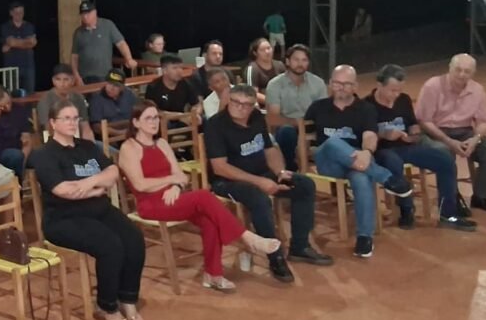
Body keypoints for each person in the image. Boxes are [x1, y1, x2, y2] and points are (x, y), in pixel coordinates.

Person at [118, 101, 284, 293]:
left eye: (156, 117)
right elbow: (140, 185)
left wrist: (176, 185)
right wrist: (172, 180)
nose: (154, 122)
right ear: (136, 122)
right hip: (150, 204)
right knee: (204, 196)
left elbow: (182, 176)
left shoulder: (162, 143)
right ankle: (247, 238)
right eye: (148, 118)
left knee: (209, 220)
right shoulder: (129, 148)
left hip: (174, 197)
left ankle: (213, 275)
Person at [31, 100, 144, 320]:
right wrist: (97, 189)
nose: (72, 122)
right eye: (66, 118)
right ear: (53, 123)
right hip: (63, 218)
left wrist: (89, 183)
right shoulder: (44, 154)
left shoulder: (87, 146)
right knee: (111, 245)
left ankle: (127, 297)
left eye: (75, 118)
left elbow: (112, 171)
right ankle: (107, 305)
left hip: (99, 209)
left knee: (134, 238)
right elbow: (62, 190)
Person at [205, 86, 333, 282]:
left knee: (304, 185)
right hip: (228, 181)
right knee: (259, 198)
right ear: (229, 101)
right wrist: (260, 182)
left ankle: (300, 247)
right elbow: (220, 167)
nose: (241, 108)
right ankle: (275, 257)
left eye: (247, 104)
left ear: (253, 105)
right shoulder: (215, 125)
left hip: (261, 173)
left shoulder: (257, 117)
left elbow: (269, 149)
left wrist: (280, 172)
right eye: (236, 102)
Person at [306, 65, 413, 258]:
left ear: (355, 86)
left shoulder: (365, 109)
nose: (341, 88)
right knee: (332, 143)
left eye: (347, 84)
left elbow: (370, 135)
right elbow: (306, 139)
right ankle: (387, 178)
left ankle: (364, 237)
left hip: (357, 163)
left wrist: (366, 152)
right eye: (337, 83)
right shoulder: (317, 107)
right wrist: (309, 152)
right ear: (330, 84)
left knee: (361, 178)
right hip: (327, 161)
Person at [365, 65, 476, 231]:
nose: (396, 95)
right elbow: (364, 133)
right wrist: (384, 134)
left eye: (399, 90)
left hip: (406, 146)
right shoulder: (366, 105)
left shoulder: (403, 100)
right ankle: (406, 210)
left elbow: (412, 123)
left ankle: (448, 213)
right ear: (379, 85)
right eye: (392, 90)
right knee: (393, 161)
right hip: (382, 150)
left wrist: (414, 133)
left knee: (445, 159)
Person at [416, 53, 486, 215]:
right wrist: (449, 141)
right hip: (435, 131)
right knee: (444, 152)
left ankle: (481, 197)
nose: (462, 75)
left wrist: (475, 139)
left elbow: (483, 122)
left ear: (473, 73)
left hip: (464, 131)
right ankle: (451, 197)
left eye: (467, 71)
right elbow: (424, 121)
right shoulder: (432, 86)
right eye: (458, 70)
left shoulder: (477, 90)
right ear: (449, 68)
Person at [265, 44, 327, 170]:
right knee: (286, 132)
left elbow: (323, 112)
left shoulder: (318, 83)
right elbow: (273, 118)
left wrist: (306, 125)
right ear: (287, 61)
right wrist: (297, 122)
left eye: (304, 60)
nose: (300, 64)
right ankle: (289, 169)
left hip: (312, 126)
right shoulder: (275, 85)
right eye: (296, 60)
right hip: (288, 126)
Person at [71, 1, 137, 85]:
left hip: (104, 75)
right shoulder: (78, 32)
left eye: (88, 13)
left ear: (95, 12)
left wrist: (129, 58)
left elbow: (121, 43)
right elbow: (74, 56)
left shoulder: (107, 25)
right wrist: (76, 76)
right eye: (83, 14)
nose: (85, 16)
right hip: (84, 77)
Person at [36, 64, 95, 141]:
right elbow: (49, 129)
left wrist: (90, 144)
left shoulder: (78, 98)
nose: (62, 83)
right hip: (54, 141)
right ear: (53, 81)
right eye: (58, 79)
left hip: (78, 140)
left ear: (72, 80)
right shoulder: (45, 100)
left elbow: (85, 127)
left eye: (66, 79)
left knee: (100, 147)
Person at [144, 54, 200, 124]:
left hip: (183, 119)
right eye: (175, 68)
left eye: (181, 68)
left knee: (203, 120)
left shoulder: (186, 83)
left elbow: (197, 104)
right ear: (164, 70)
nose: (179, 71)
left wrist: (195, 114)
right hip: (163, 121)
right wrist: (179, 117)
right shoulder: (153, 87)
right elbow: (154, 111)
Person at [1, 2, 37, 94]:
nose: (19, 15)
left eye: (21, 12)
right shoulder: (6, 27)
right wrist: (27, 42)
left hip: (28, 65)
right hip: (11, 66)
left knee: (30, 94)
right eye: (16, 12)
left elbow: (33, 43)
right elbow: (11, 42)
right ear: (11, 13)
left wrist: (15, 43)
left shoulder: (29, 26)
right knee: (12, 94)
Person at [244, 38, 285, 106]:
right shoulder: (252, 68)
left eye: (269, 48)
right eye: (262, 50)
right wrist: (274, 102)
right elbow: (252, 93)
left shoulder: (280, 65)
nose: (267, 52)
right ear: (255, 53)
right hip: (263, 107)